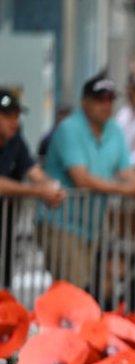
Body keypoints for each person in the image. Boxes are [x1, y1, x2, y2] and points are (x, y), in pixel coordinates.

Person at [42, 72, 135, 299]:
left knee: (83, 290)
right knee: (73, 291)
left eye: (111, 99)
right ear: (85, 102)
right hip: (62, 222)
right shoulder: (69, 129)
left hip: (92, 226)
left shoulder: (115, 130)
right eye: (100, 99)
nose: (106, 105)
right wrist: (128, 190)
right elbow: (81, 179)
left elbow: (125, 169)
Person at [0, 89, 65, 287]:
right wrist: (38, 192)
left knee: (4, 281)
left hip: (6, 228)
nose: (14, 121)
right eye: (7, 116)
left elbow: (33, 170)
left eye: (17, 116)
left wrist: (51, 188)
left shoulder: (15, 141)